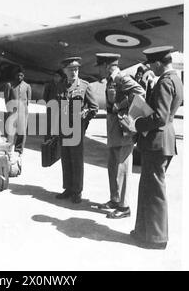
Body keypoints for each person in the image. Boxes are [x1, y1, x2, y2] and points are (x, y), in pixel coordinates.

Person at [120, 46, 183, 249]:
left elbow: (160, 116)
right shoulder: (175, 79)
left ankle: (156, 238)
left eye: (151, 64)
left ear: (157, 63)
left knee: (155, 191)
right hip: (161, 141)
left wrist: (136, 124)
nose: (150, 68)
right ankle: (144, 232)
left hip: (157, 142)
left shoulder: (165, 82)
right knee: (148, 189)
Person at [96, 53, 145, 219]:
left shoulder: (121, 78)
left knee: (123, 167)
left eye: (100, 66)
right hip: (113, 129)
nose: (99, 70)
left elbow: (140, 92)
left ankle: (124, 207)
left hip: (123, 129)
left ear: (106, 66)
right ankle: (115, 200)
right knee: (113, 166)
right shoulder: (111, 79)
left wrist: (123, 107)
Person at [55, 57, 98, 203]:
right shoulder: (60, 85)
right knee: (66, 158)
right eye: (71, 70)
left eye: (76, 69)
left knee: (76, 160)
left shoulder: (85, 86)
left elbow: (93, 108)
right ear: (64, 71)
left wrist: (83, 122)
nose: (74, 72)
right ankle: (68, 188)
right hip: (63, 129)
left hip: (77, 130)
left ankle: (77, 191)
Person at [4, 66, 31, 155]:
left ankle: (19, 150)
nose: (20, 77)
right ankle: (8, 149)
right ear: (15, 75)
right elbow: (7, 98)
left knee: (22, 131)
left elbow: (28, 100)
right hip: (13, 112)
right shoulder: (9, 85)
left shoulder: (27, 86)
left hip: (23, 112)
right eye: (18, 75)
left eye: (21, 75)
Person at [43, 69, 66, 140]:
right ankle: (47, 140)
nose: (56, 78)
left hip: (60, 109)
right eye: (55, 76)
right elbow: (45, 96)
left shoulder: (63, 86)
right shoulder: (49, 85)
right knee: (49, 125)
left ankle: (55, 142)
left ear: (61, 78)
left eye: (58, 76)